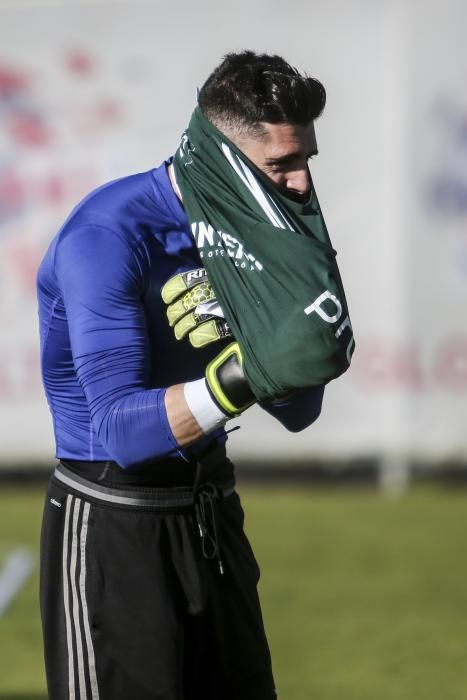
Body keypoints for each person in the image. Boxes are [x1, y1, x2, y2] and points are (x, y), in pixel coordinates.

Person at [37, 50, 327, 700]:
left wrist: (297, 341)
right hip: (114, 527)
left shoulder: (260, 231)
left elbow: (298, 408)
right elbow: (121, 432)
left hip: (213, 515)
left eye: (304, 159)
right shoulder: (107, 235)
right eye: (280, 164)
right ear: (222, 162)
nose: (302, 183)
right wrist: (244, 366)